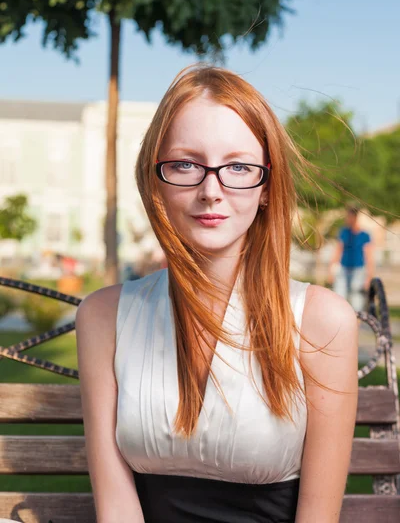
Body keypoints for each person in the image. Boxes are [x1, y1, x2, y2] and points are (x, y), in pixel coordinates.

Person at [75, 65, 358, 523]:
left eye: (239, 167)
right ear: (157, 181)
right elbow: (116, 506)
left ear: (267, 186)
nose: (212, 190)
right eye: (186, 164)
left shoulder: (323, 320)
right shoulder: (103, 317)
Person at [328, 204, 374, 312]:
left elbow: (369, 256)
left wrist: (369, 276)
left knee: (357, 300)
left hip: (358, 270)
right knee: (339, 296)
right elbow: (338, 251)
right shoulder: (344, 232)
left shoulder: (364, 235)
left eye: (349, 216)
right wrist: (331, 270)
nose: (347, 219)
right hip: (343, 269)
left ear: (355, 217)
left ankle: (356, 324)